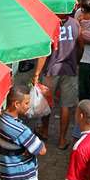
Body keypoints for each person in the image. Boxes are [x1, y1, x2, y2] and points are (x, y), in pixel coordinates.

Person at [34, 14, 82, 150]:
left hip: (51, 70)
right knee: (65, 106)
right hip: (70, 69)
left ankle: (44, 130)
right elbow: (81, 45)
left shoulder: (49, 24)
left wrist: (37, 73)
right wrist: (76, 61)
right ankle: (62, 139)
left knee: (47, 103)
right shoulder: (75, 24)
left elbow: (44, 52)